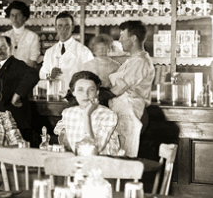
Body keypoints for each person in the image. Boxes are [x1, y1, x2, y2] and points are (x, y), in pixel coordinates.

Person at [107, 20, 155, 157]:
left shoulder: (140, 61)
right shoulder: (131, 60)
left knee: (125, 158)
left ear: (133, 38)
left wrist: (101, 95)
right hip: (122, 113)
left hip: (131, 113)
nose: (120, 40)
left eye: (122, 36)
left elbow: (120, 88)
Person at [54, 71, 121, 156]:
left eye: (91, 90)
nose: (86, 94)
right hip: (78, 161)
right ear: (73, 92)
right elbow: (61, 133)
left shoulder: (107, 114)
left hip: (102, 162)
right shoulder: (68, 112)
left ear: (97, 93)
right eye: (80, 90)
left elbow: (93, 149)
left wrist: (87, 115)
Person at [0, 35, 40, 143]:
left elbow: (33, 74)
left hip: (17, 120)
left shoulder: (16, 64)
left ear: (10, 47)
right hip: (3, 119)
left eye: (3, 47)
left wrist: (17, 95)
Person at [39, 12, 94, 99]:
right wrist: (50, 75)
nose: (63, 29)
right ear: (56, 28)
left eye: (67, 26)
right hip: (54, 96)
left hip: (76, 98)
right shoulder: (49, 52)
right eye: (60, 26)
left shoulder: (84, 51)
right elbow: (42, 75)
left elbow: (91, 77)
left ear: (72, 27)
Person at [2, 0, 40, 68]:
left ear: (24, 17)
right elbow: (2, 59)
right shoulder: (4, 36)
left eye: (18, 15)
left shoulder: (33, 36)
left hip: (27, 74)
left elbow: (33, 60)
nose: (15, 18)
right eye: (12, 15)